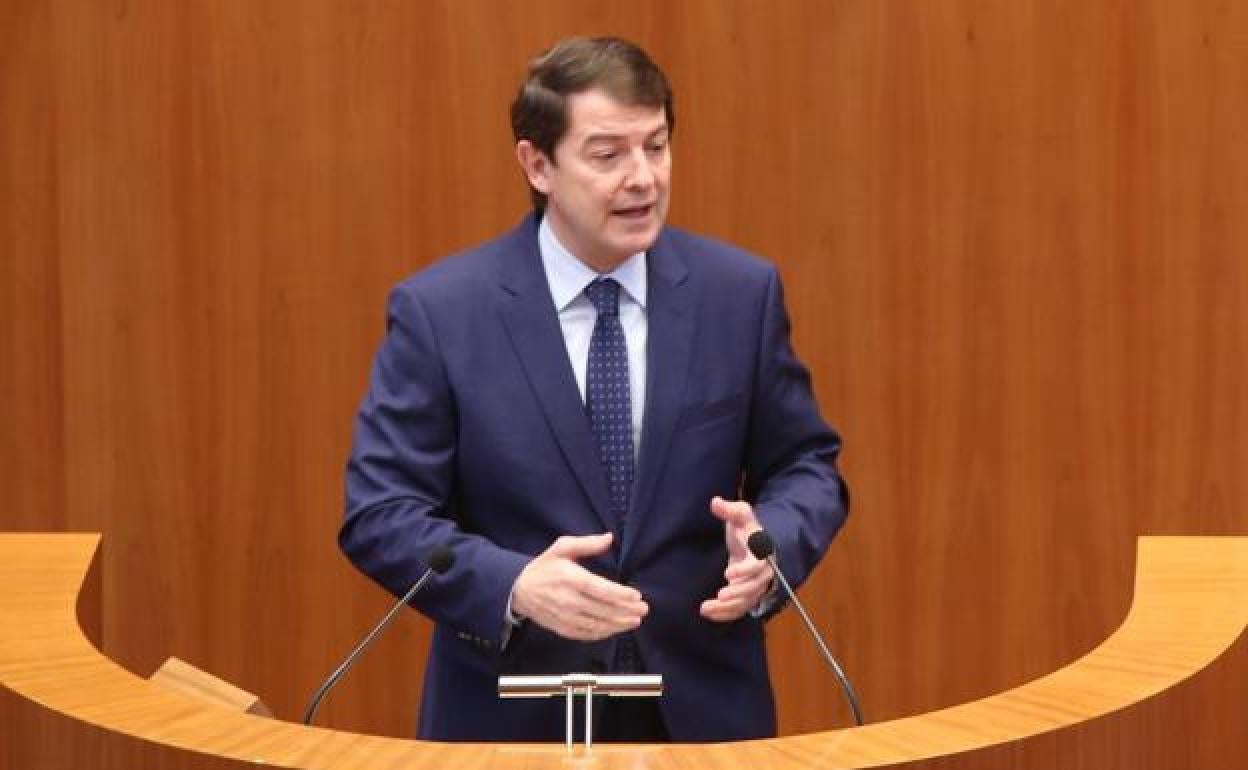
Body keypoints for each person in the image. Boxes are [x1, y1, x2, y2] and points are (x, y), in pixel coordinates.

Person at [341, 36, 848, 743]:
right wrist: (512, 584)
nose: (642, 178)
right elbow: (381, 512)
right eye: (608, 155)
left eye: (657, 147)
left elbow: (806, 465)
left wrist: (772, 544)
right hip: (510, 719)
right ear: (537, 163)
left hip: (701, 716)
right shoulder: (444, 313)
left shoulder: (739, 296)